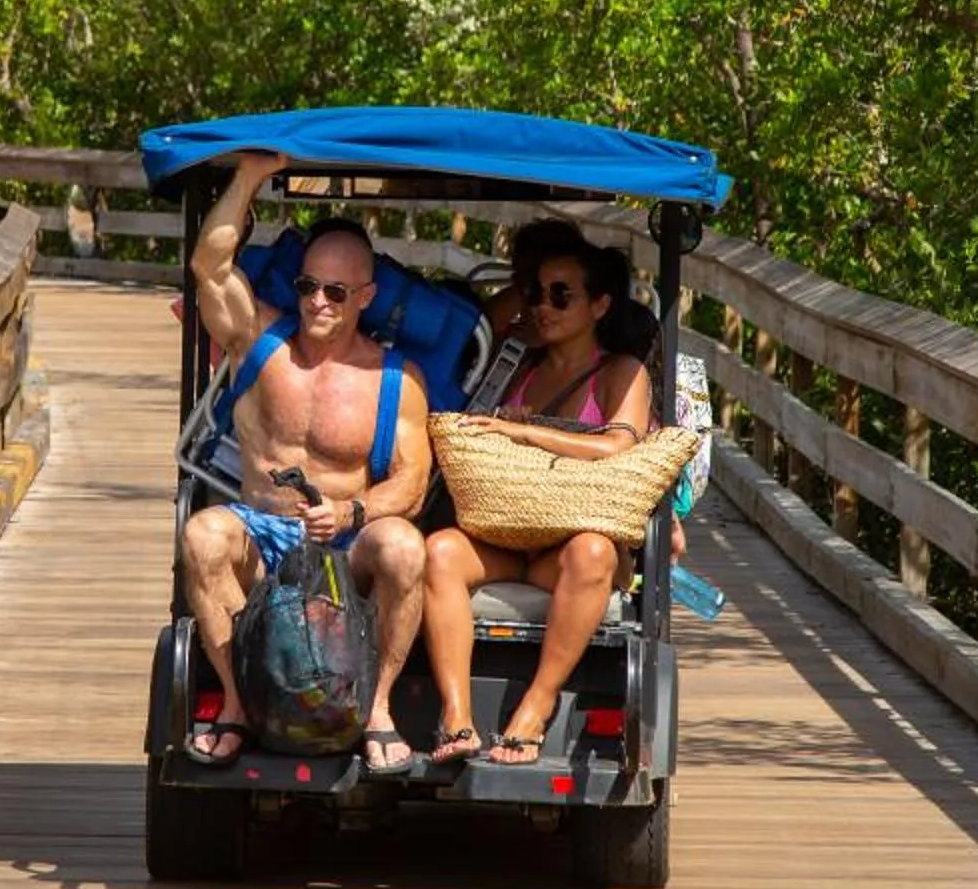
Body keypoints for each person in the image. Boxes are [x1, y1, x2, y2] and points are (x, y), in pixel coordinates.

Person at [179, 152, 433, 775]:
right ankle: (238, 706)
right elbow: (210, 267)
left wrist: (354, 510)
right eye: (307, 286)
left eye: (337, 291)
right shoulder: (260, 343)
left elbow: (414, 482)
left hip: (350, 541)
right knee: (203, 533)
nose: (318, 301)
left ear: (366, 297)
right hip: (263, 529)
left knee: (404, 546)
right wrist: (251, 175)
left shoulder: (394, 378)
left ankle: (376, 710)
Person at [418, 229, 653, 768]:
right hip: (510, 535)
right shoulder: (516, 366)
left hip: (572, 548)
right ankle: (456, 715)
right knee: (441, 551)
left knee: (594, 550)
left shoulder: (622, 372)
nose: (543, 307)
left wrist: (525, 433)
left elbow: (620, 443)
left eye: (561, 295)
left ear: (599, 305)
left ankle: (536, 705)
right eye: (535, 293)